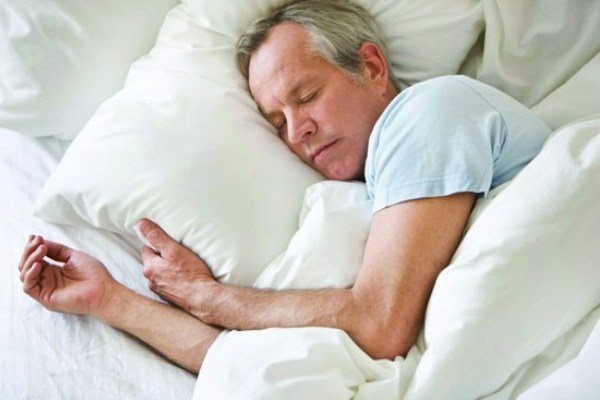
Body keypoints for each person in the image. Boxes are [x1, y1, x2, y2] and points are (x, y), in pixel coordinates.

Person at [18, 0, 551, 374]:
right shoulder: (359, 208)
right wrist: (111, 300)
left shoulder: (429, 111)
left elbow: (378, 325)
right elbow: (270, 367)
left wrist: (209, 297)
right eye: (277, 122)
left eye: (308, 95)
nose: (297, 132)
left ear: (370, 66)